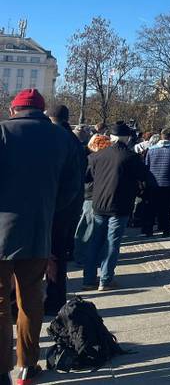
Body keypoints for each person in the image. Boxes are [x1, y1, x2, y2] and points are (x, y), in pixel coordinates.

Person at [0, 89, 80, 385]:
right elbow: (71, 189)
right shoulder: (62, 138)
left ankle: (1, 370)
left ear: (13, 110)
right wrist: (46, 209)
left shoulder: (3, 132)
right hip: (38, 231)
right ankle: (27, 366)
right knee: (31, 300)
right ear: (42, 111)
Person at [82, 122, 150, 291]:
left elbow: (87, 178)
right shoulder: (131, 157)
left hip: (99, 203)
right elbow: (144, 177)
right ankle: (105, 280)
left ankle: (88, 279)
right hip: (120, 205)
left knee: (94, 242)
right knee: (112, 243)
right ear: (127, 139)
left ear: (110, 137)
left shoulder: (96, 156)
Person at [45, 104, 88, 315]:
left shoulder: (57, 138)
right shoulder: (73, 140)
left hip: (57, 208)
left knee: (53, 255)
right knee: (58, 255)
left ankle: (53, 300)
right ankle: (55, 299)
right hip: (69, 206)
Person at [143, 127, 170, 237]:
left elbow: (146, 165)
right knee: (168, 207)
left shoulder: (151, 149)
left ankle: (149, 229)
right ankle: (166, 229)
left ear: (161, 136)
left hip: (154, 183)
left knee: (152, 206)